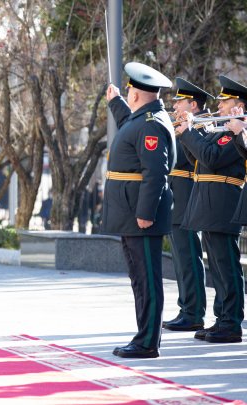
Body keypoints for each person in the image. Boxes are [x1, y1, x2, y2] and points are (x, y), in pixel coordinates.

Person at [103, 62, 174, 359]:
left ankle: (148, 342)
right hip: (131, 214)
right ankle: (143, 336)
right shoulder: (144, 119)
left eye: (130, 90)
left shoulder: (152, 125)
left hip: (140, 216)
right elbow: (128, 130)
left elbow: (155, 172)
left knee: (147, 279)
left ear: (136, 95)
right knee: (140, 279)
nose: (129, 93)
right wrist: (114, 102)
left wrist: (145, 212)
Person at [177, 75, 246, 344]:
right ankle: (221, 318)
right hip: (209, 202)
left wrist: (192, 133)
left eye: (225, 101)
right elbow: (198, 158)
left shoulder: (235, 133)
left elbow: (212, 158)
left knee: (227, 266)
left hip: (224, 202)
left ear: (239, 104)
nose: (220, 107)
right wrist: (188, 133)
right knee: (216, 266)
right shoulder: (222, 131)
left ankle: (231, 323)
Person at [162, 78, 210, 332]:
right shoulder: (184, 126)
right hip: (178, 197)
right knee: (181, 258)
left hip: (190, 197)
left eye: (179, 102)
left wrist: (185, 130)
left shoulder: (202, 127)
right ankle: (186, 308)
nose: (175, 107)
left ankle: (194, 313)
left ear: (193, 104)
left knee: (189, 258)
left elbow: (195, 159)